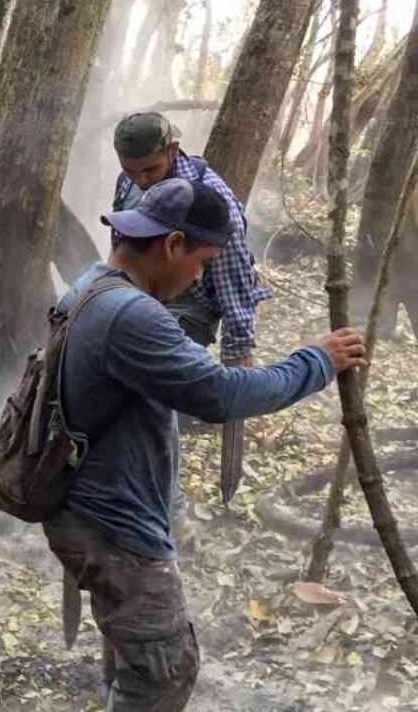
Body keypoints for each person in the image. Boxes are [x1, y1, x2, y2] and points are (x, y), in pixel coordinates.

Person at [48, 178, 365, 710]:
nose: (200, 277)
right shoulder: (131, 316)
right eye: (203, 263)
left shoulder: (94, 284)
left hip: (88, 508)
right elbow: (219, 395)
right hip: (114, 528)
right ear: (173, 244)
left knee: (134, 656)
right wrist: (317, 362)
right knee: (166, 671)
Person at [111, 111, 268, 366]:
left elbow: (235, 283)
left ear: (172, 151)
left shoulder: (212, 202)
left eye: (150, 169)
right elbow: (119, 245)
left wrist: (239, 360)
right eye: (129, 170)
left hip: (188, 308)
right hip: (137, 292)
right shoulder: (127, 184)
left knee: (154, 370)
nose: (140, 180)